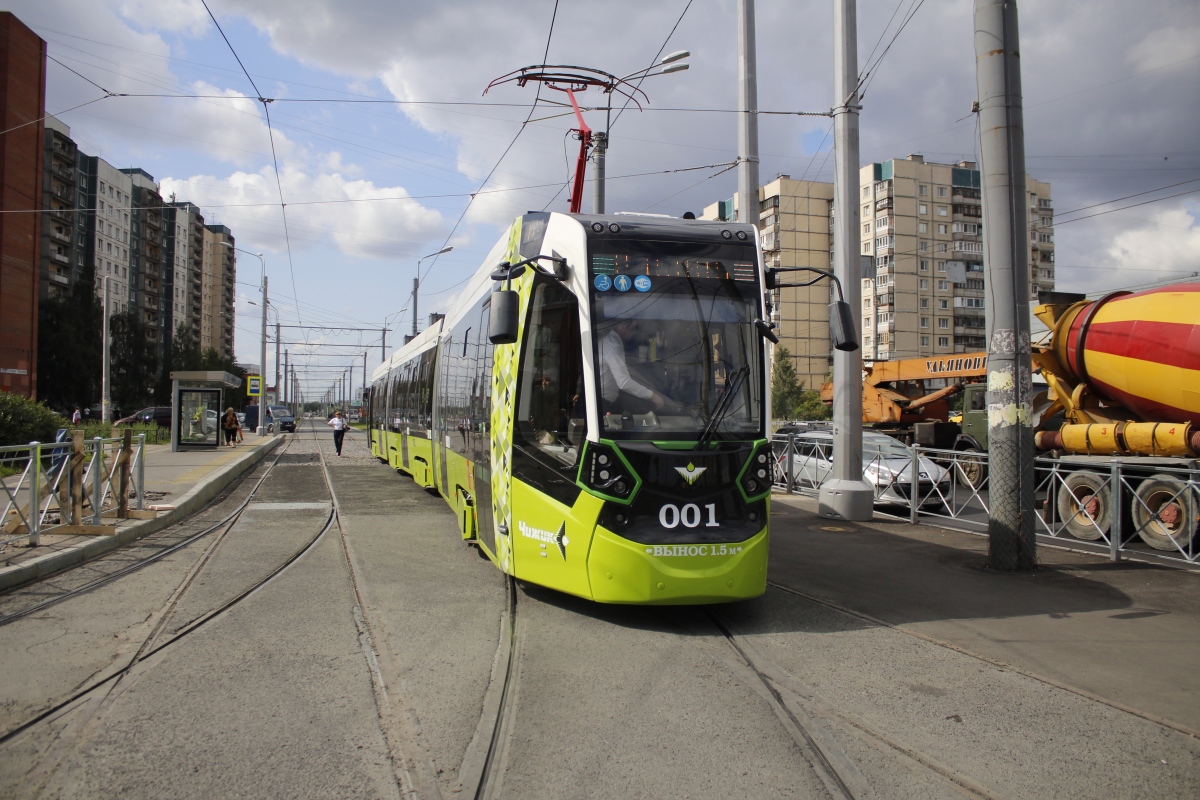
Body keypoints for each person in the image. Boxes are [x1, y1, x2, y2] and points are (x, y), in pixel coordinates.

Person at [598, 318, 670, 415]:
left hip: (604, 401)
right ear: (623, 326)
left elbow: (630, 372)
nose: (635, 332)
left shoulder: (610, 341)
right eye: (633, 328)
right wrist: (652, 396)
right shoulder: (613, 347)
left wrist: (651, 388)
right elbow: (623, 382)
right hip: (600, 403)